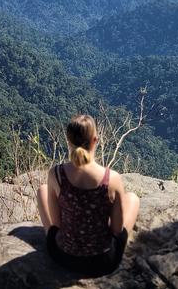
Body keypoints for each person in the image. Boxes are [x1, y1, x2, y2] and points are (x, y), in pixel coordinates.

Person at [36, 114, 140, 276]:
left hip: (64, 257)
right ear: (94, 140)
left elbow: (56, 224)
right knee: (132, 198)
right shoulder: (111, 178)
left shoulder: (56, 173)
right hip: (103, 261)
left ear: (68, 140)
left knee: (43, 190)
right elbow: (117, 228)